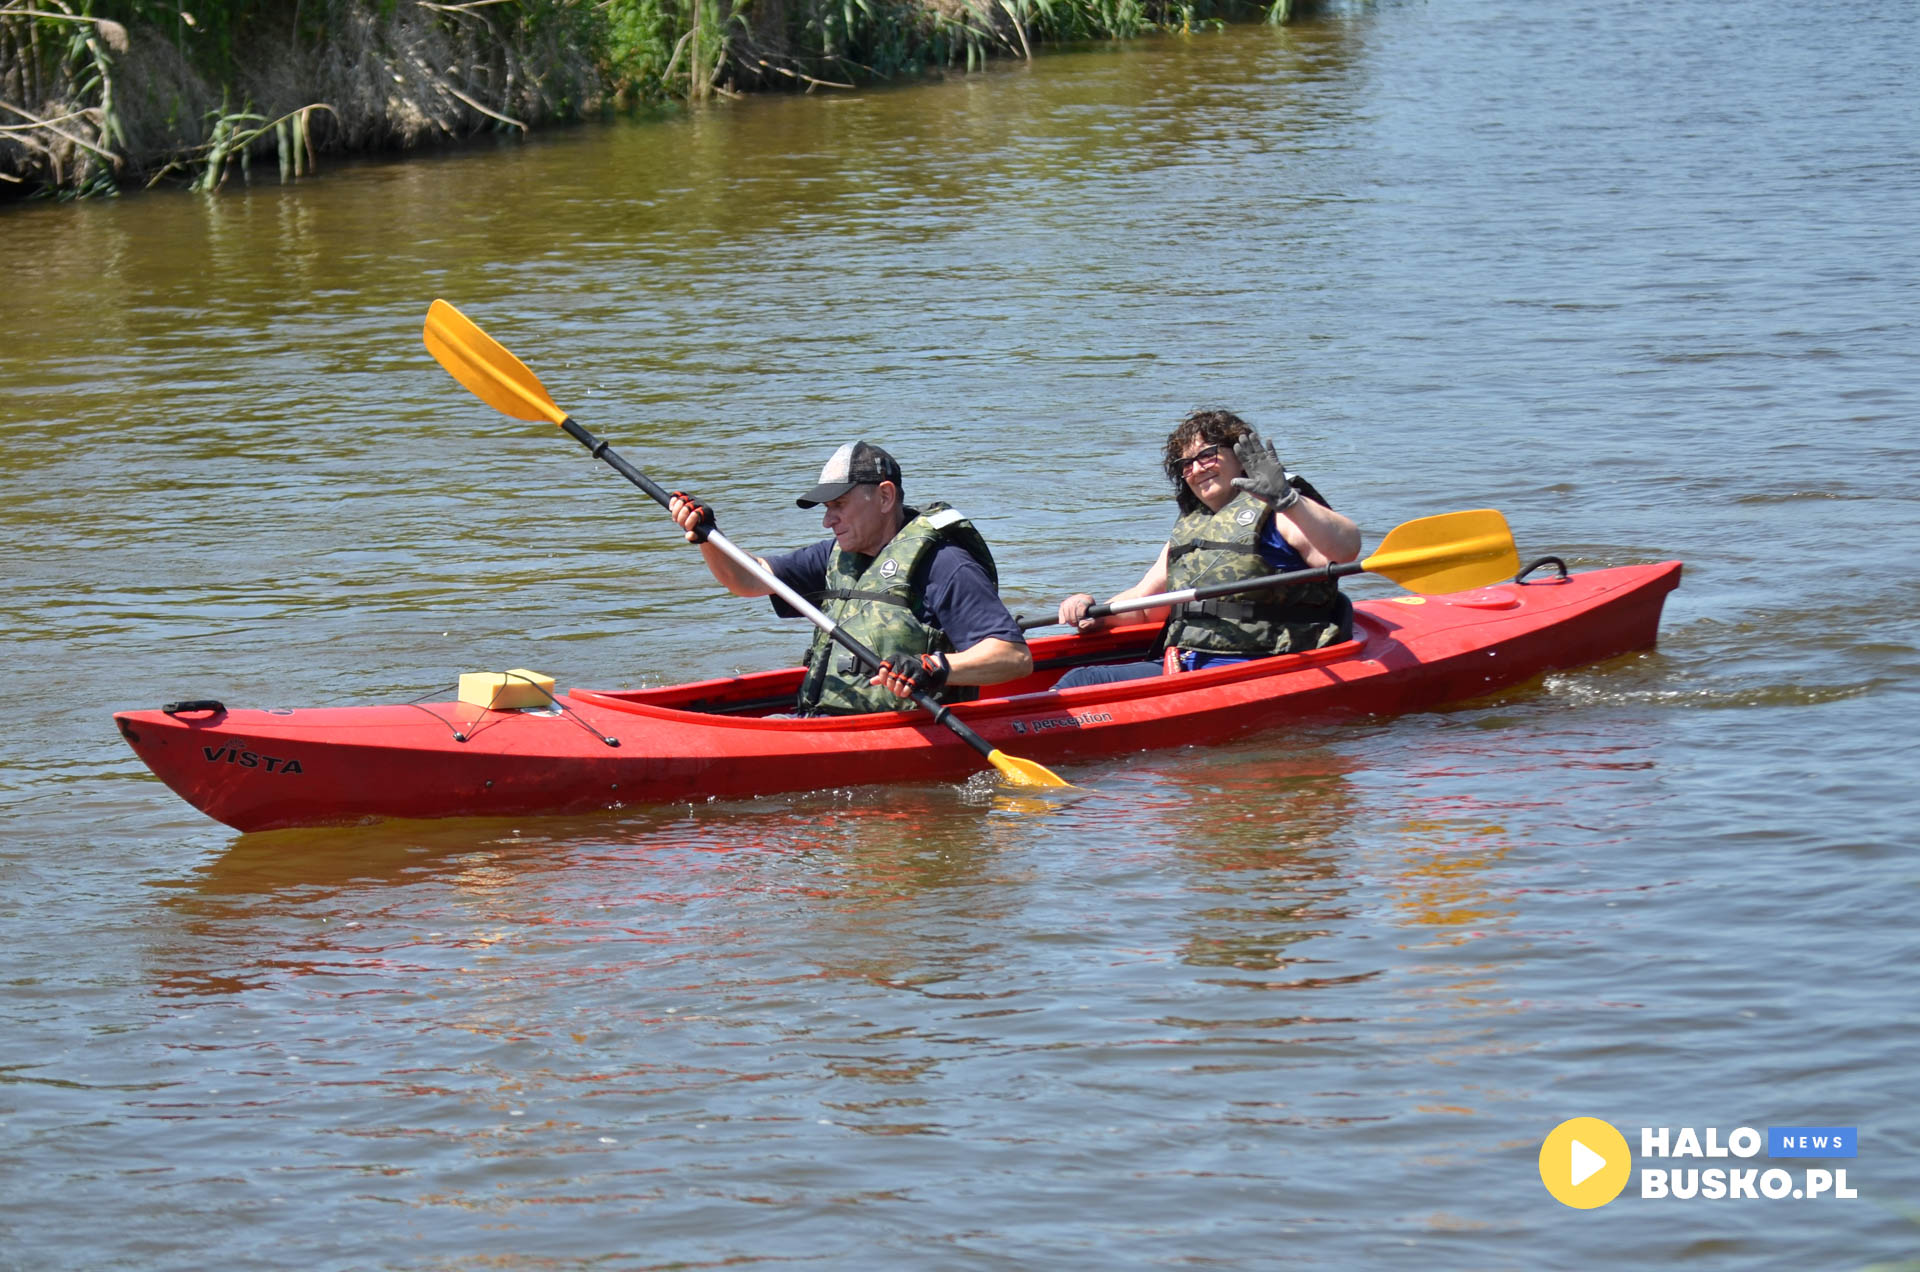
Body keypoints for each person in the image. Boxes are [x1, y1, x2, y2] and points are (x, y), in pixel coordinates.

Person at [668, 441, 1033, 715]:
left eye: (838, 505)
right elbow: (746, 581)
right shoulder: (834, 556)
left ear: (885, 497)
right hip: (820, 721)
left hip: (904, 731)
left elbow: (1014, 657)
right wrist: (708, 536)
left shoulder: (946, 565)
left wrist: (934, 667)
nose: (828, 521)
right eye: (827, 509)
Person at [1051, 409, 1362, 689]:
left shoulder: (1283, 511)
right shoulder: (1191, 530)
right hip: (1188, 666)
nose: (1197, 469)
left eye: (1208, 455)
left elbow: (1345, 551)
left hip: (1261, 668)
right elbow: (1147, 606)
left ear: (1242, 456)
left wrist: (1289, 500)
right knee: (1083, 676)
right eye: (1186, 464)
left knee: (1084, 681)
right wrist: (1093, 611)